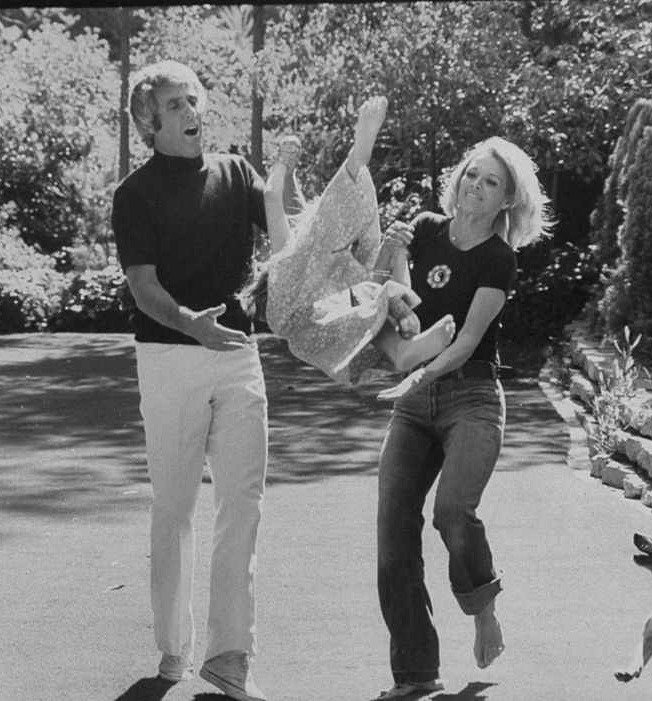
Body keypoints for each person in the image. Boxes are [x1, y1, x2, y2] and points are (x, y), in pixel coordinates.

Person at [369, 136, 553, 700]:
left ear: (507, 201)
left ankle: (482, 606)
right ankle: (416, 674)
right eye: (472, 174)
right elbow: (385, 296)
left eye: (491, 182)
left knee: (452, 511)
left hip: (470, 397)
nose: (476, 185)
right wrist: (388, 247)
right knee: (394, 530)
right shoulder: (425, 228)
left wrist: (416, 374)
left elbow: (468, 340)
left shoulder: (499, 258)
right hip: (415, 401)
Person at [110, 60, 269, 701]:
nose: (190, 110)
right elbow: (144, 291)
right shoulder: (135, 195)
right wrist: (191, 325)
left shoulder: (235, 173)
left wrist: (288, 178)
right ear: (150, 122)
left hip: (239, 355)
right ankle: (174, 652)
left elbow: (289, 225)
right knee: (174, 509)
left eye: (193, 99)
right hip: (169, 359)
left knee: (245, 505)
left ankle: (231, 658)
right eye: (174, 104)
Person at [242, 96, 456, 387]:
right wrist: (281, 164)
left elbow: (307, 221)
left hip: (321, 328)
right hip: (304, 317)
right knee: (328, 246)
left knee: (366, 291)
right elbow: (272, 196)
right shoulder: (285, 266)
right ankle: (357, 162)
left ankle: (402, 348)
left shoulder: (315, 278)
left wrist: (395, 253)